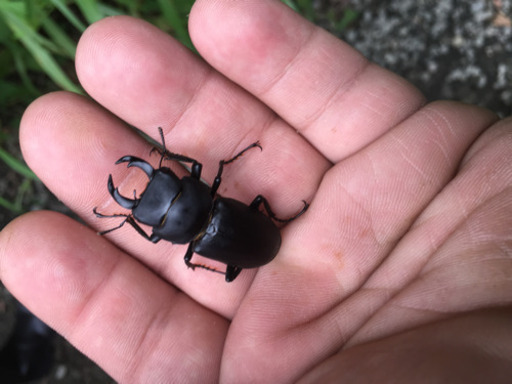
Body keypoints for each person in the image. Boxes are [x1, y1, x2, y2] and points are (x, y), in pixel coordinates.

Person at [1, 1, 511, 382]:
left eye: (159, 195)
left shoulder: (188, 241)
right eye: (150, 211)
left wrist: (138, 215)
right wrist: (153, 180)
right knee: (220, 182)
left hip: (230, 239)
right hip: (238, 230)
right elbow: (202, 173)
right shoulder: (211, 198)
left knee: (215, 226)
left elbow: (172, 219)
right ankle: (272, 216)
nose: (158, 196)